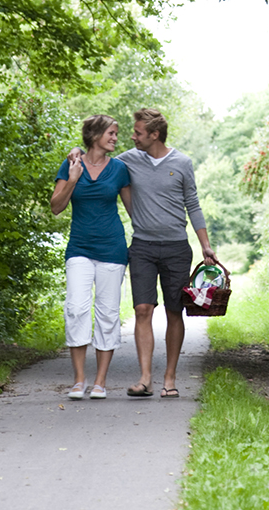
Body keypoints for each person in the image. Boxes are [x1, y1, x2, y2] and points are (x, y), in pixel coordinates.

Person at [72, 108, 216, 399]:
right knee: (142, 310)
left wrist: (205, 245)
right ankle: (146, 379)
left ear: (154, 135)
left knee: (175, 311)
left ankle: (170, 378)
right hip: (142, 247)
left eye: (138, 132)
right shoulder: (128, 160)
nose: (132, 136)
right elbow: (96, 155)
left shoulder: (182, 162)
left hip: (176, 247)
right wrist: (76, 150)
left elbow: (194, 205)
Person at [52, 115, 132, 400]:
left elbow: (134, 210)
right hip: (80, 248)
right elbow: (56, 207)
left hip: (112, 249)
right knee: (75, 308)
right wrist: (73, 179)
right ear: (95, 134)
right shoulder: (71, 164)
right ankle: (79, 380)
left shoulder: (120, 169)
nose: (115, 138)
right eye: (111, 133)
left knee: (108, 313)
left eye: (116, 133)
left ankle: (100, 382)